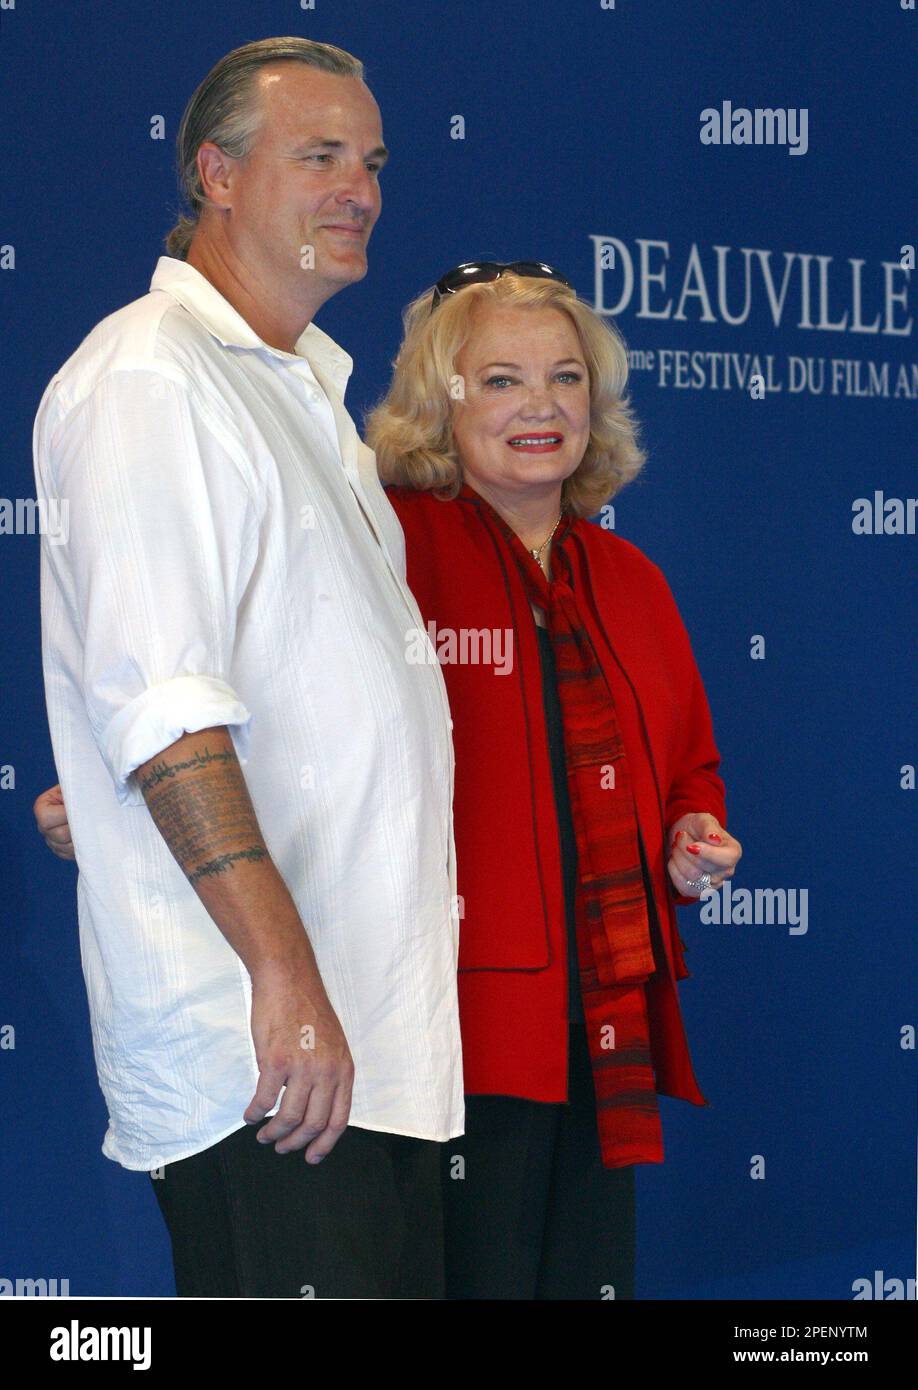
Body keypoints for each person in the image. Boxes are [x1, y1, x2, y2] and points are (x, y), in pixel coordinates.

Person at [30, 38, 463, 1299]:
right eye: (319, 154)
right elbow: (166, 718)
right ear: (216, 173)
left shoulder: (309, 400)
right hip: (266, 1062)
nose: (361, 189)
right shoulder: (150, 378)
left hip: (369, 1051)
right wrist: (285, 978)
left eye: (371, 161)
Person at [364, 261, 743, 1298]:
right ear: (438, 401)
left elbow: (688, 769)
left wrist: (691, 833)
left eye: (565, 377)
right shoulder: (385, 545)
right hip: (440, 1034)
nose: (541, 405)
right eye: (500, 379)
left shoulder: (631, 579)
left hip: (601, 1020)